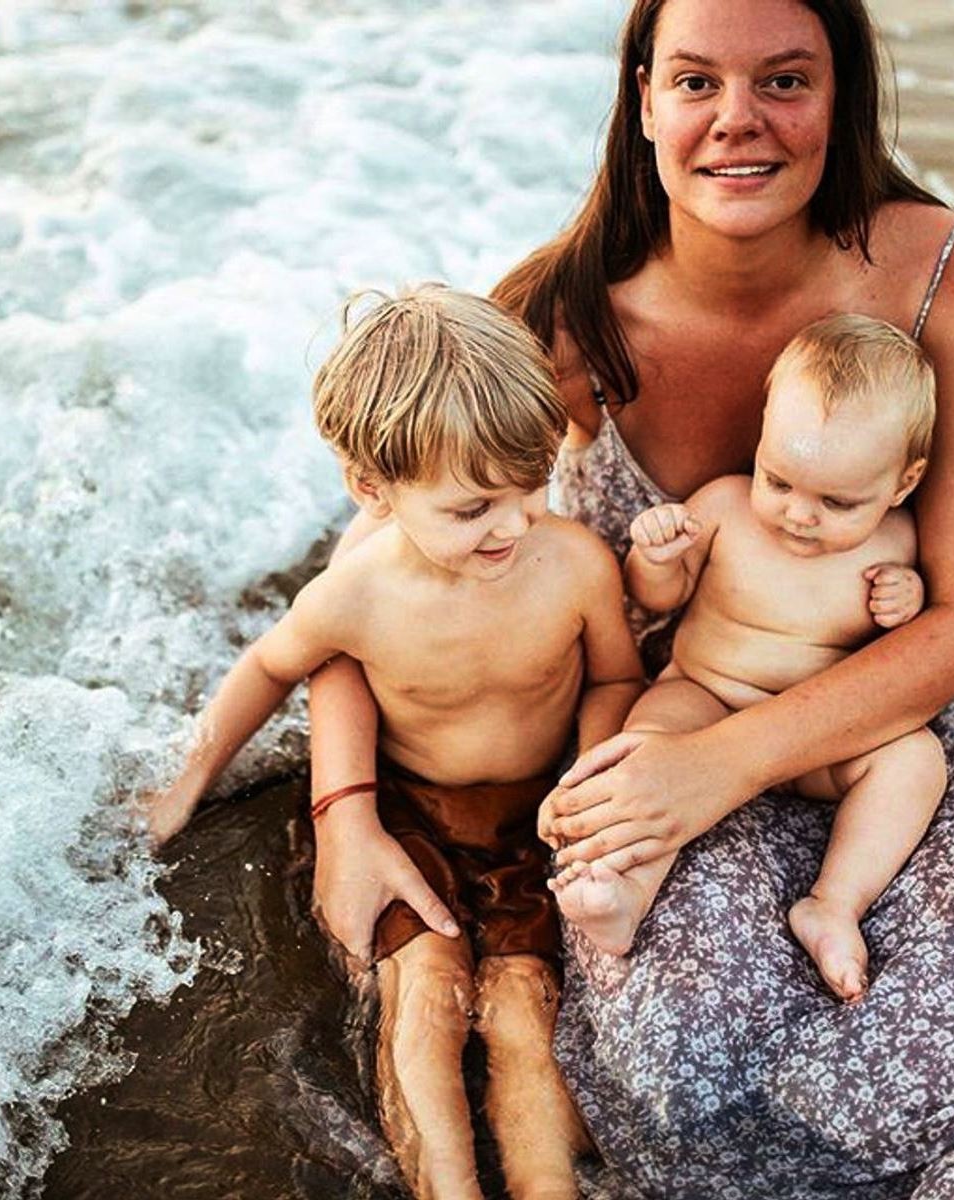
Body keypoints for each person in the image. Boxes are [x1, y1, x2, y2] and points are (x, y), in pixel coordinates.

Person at [308, 0, 954, 1193]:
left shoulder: (940, 276)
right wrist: (344, 810)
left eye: (783, 79)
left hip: (897, 715)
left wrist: (726, 764)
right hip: (660, 709)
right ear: (640, 99)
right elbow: (375, 566)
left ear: (839, 94)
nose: (738, 119)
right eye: (694, 81)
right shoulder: (559, 312)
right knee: (670, 1063)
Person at [147, 285, 644, 1200]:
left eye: (529, 484)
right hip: (411, 809)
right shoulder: (357, 593)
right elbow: (268, 667)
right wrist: (187, 782)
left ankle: (546, 1187)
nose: (512, 523)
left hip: (531, 815)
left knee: (523, 1006)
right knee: (425, 993)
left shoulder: (573, 564)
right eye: (471, 507)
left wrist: (589, 772)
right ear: (372, 490)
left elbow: (614, 678)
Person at [551, 315, 947, 1003]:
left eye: (837, 501)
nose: (800, 514)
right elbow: (657, 598)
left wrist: (907, 600)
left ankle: (834, 903)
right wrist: (657, 557)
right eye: (780, 480)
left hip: (817, 742)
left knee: (916, 760)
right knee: (647, 746)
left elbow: (904, 656)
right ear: (761, 441)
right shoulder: (725, 506)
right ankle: (624, 891)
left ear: (903, 483)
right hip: (705, 695)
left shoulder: (898, 542)